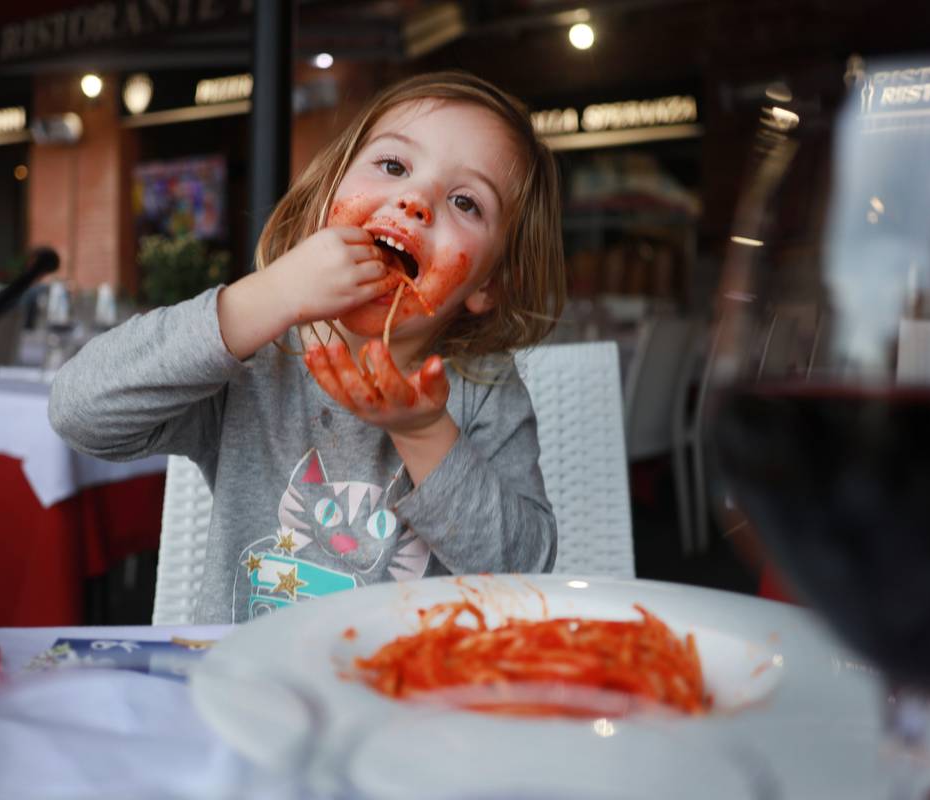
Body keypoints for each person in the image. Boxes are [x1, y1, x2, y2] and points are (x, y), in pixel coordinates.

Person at [50, 71, 566, 624]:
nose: (416, 200)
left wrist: (424, 434)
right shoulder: (257, 359)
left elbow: (526, 572)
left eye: (467, 202)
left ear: (487, 284)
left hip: (402, 697)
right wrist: (263, 298)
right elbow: (79, 412)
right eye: (393, 166)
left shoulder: (482, 386)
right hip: (246, 690)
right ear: (327, 199)